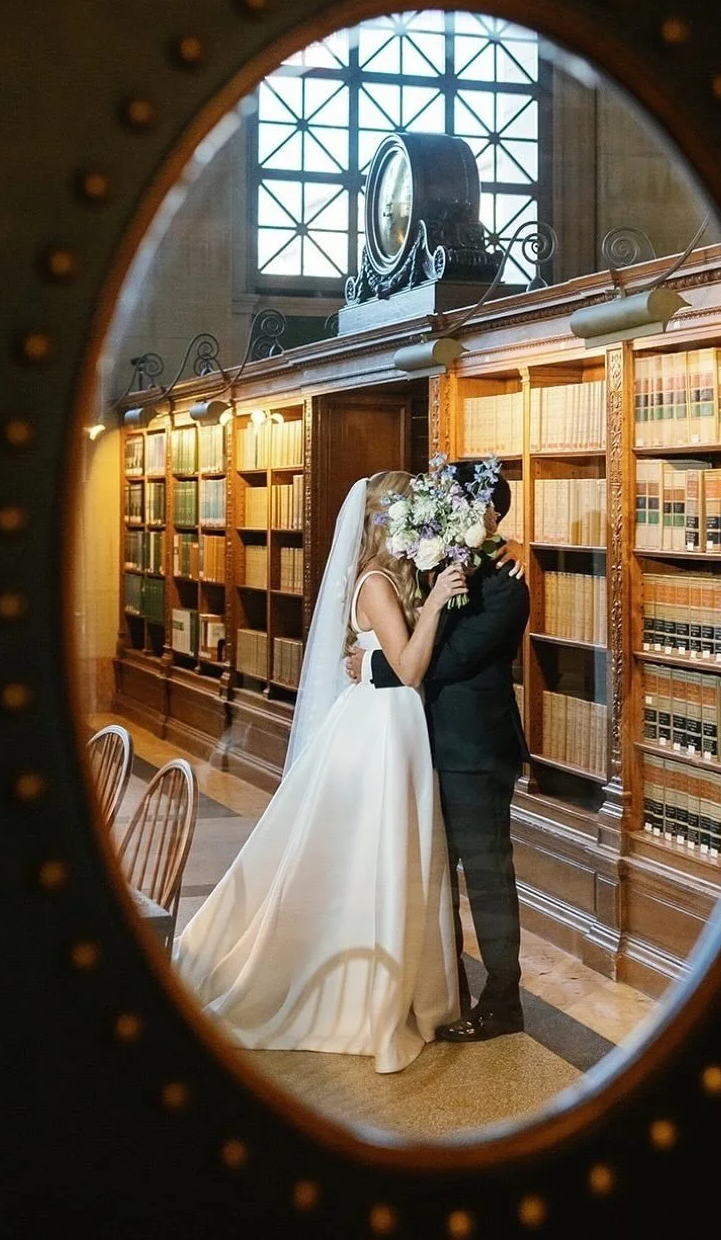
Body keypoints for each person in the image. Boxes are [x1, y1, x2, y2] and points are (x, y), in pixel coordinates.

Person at [172, 471, 469, 1074]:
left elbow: (386, 662)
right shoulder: (379, 583)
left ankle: (395, 973)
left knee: (391, 852)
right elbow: (410, 669)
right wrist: (436, 604)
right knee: (374, 853)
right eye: (411, 516)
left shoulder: (391, 580)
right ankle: (360, 986)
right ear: (386, 524)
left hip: (394, 725)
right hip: (381, 730)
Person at [346, 460, 530, 1042]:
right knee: (431, 876)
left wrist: (373, 661)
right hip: (423, 747)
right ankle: (449, 991)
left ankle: (503, 998)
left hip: (475, 753)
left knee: (487, 876)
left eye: (466, 512)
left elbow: (442, 662)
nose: (452, 524)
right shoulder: (435, 568)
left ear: (491, 516)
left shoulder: (507, 582)